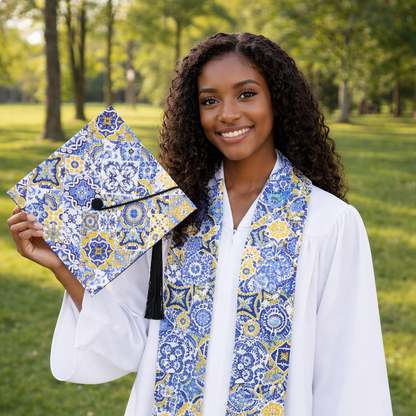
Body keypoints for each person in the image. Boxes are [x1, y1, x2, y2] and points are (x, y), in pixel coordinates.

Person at [7, 33, 393, 416]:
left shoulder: (328, 223)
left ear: (279, 100)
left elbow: (350, 375)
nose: (227, 114)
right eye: (210, 100)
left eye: (246, 94)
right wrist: (62, 266)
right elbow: (129, 339)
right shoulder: (171, 217)